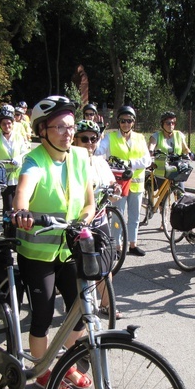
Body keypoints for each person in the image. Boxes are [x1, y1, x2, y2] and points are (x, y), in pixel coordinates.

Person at [11, 96, 96, 389]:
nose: (68, 132)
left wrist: (85, 220)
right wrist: (21, 211)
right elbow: (24, 189)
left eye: (71, 126)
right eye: (59, 126)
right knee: (43, 317)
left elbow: (89, 203)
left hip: (68, 249)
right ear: (42, 130)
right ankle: (42, 370)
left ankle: (67, 365)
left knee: (80, 311)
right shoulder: (35, 160)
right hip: (36, 255)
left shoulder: (80, 157)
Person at [73, 119, 123, 319]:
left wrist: (115, 188)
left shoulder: (101, 161)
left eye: (94, 139)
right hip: (78, 222)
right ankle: (77, 310)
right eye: (84, 139)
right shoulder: (70, 161)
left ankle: (106, 304)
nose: (90, 143)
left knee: (104, 263)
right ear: (75, 140)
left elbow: (112, 184)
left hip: (100, 218)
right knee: (77, 268)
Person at [96, 105, 152, 256]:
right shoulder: (110, 137)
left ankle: (133, 244)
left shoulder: (140, 138)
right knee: (117, 216)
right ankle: (117, 247)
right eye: (122, 121)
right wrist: (97, 135)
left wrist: (131, 164)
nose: (126, 124)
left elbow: (147, 160)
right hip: (118, 184)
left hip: (136, 185)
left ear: (133, 122)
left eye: (129, 121)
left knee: (134, 217)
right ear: (118, 122)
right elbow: (98, 151)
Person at [0, 105, 30, 212]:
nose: (7, 126)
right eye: (4, 124)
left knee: (19, 205)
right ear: (0, 125)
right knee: (8, 206)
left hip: (18, 176)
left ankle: (16, 226)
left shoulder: (18, 137)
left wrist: (19, 158)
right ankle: (7, 226)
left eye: (9, 123)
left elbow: (25, 153)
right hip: (3, 178)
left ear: (13, 124)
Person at [147, 110, 192, 190]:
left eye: (173, 123)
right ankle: (161, 202)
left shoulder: (179, 135)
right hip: (162, 172)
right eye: (168, 123)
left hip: (177, 170)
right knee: (163, 198)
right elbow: (151, 147)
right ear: (162, 124)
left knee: (181, 194)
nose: (171, 125)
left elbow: (185, 148)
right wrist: (150, 155)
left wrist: (189, 154)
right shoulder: (156, 136)